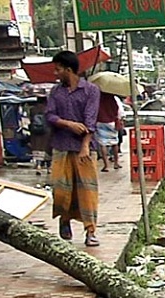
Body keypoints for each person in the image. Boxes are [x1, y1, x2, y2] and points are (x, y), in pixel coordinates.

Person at [46, 50, 101, 247]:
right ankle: (64, 220)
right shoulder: (55, 92)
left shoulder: (91, 90)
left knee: (87, 190)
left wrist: (85, 145)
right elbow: (50, 116)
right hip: (61, 145)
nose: (55, 73)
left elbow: (91, 121)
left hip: (83, 148)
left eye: (58, 69)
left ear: (68, 70)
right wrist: (67, 123)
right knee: (61, 189)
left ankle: (90, 230)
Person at [95, 91, 121, 172]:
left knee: (103, 143)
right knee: (115, 142)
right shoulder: (112, 98)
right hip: (112, 122)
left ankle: (106, 165)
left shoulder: (97, 98)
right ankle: (116, 163)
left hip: (100, 121)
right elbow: (118, 110)